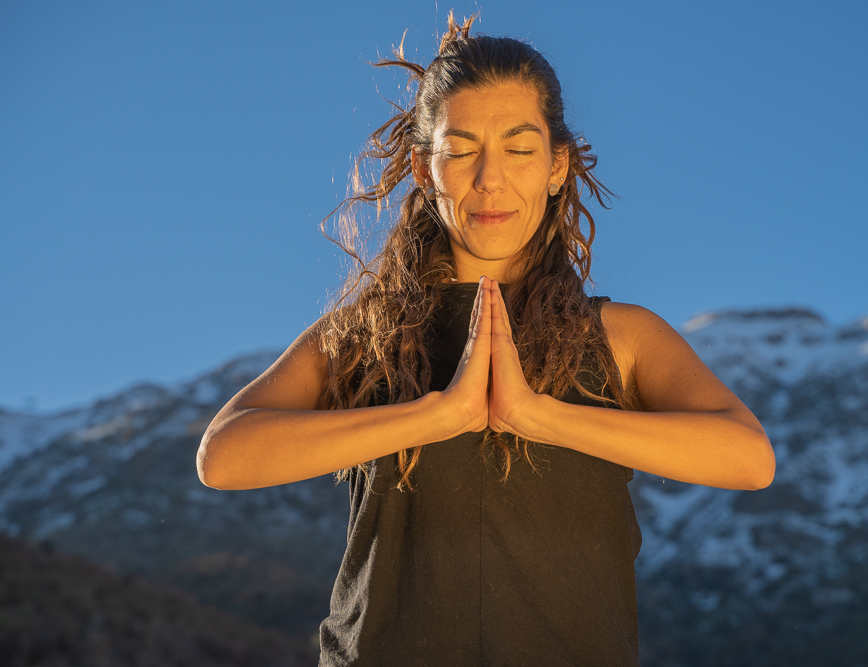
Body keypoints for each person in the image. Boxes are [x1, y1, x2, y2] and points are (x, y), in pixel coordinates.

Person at [196, 13, 774, 667]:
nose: (490, 178)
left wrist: (540, 416)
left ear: (558, 165)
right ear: (423, 166)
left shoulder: (621, 336)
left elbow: (748, 457)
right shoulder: (365, 333)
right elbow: (224, 455)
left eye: (520, 149)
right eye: (461, 148)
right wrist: (440, 414)